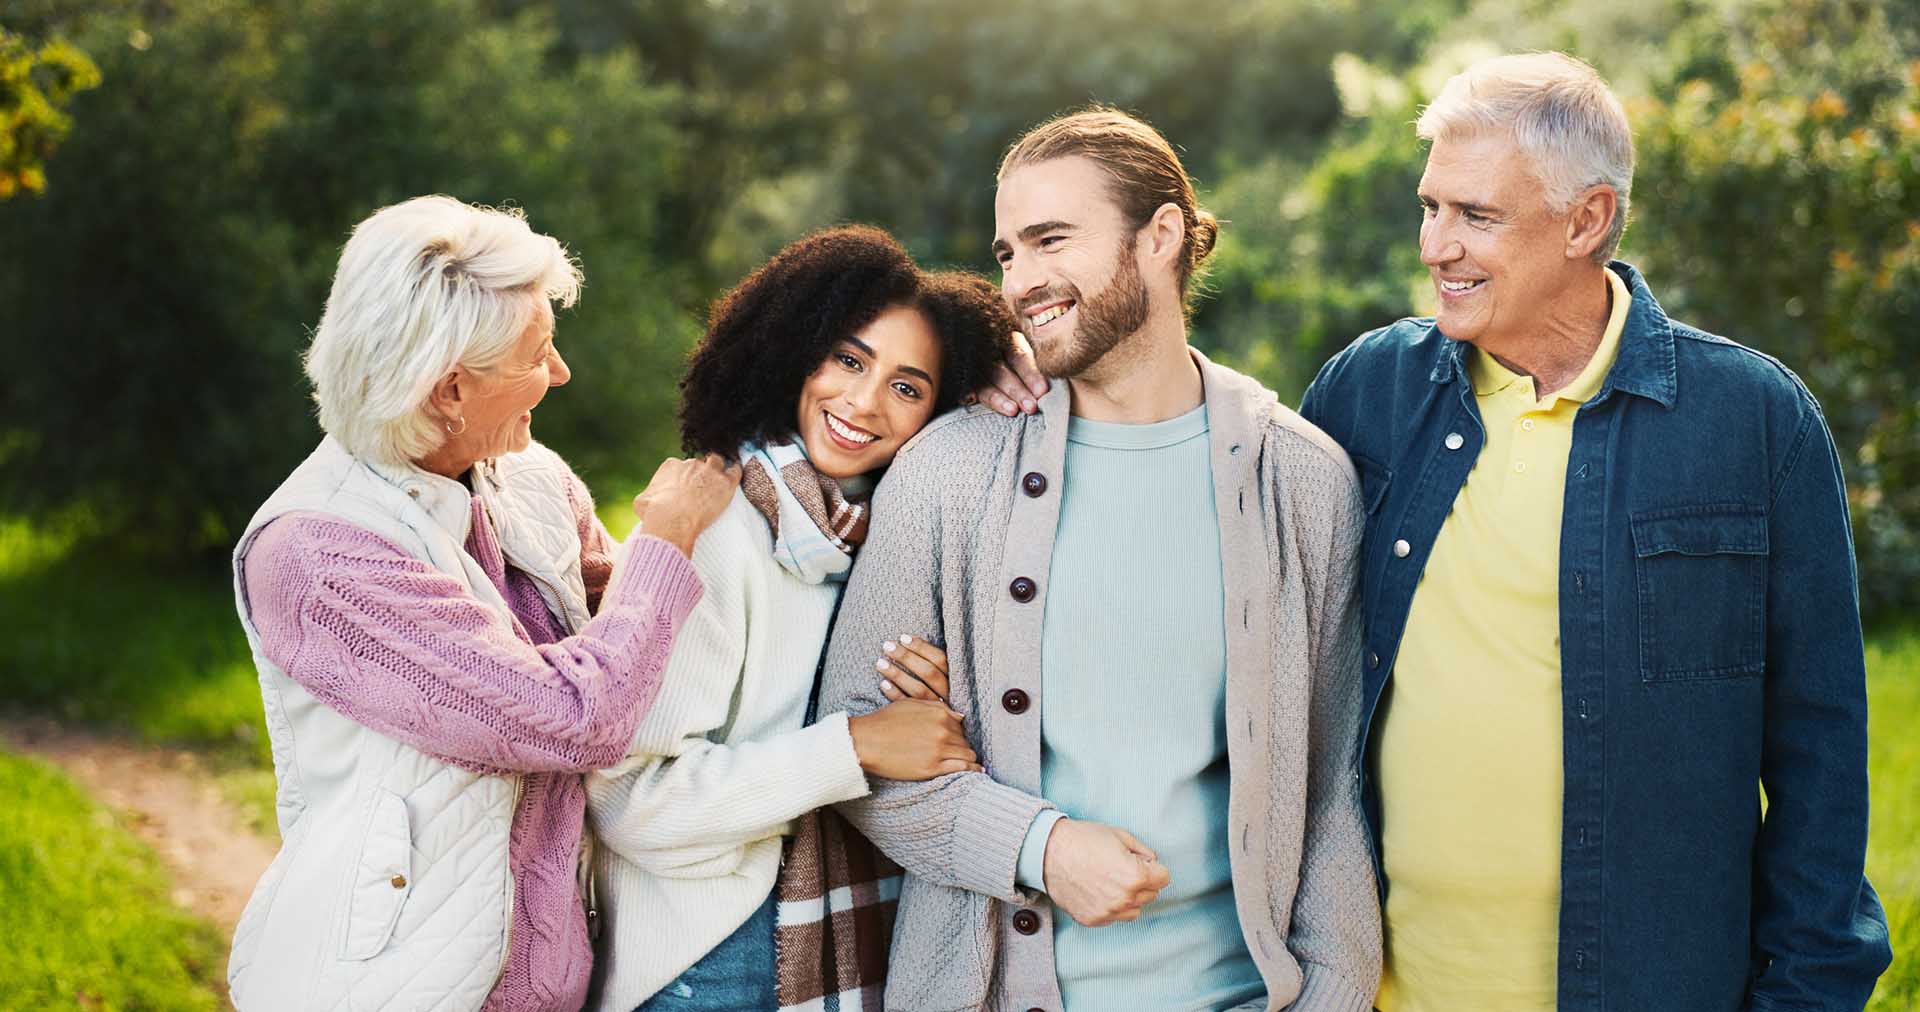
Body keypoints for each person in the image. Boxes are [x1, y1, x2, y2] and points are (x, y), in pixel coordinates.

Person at [1295, 53, 1893, 1011]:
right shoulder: (1365, 393)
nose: (1435, 245)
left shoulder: (1754, 421)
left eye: (1475, 215)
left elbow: (1822, 752)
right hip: (1383, 988)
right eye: (1431, 207)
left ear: (1588, 220)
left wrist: (1809, 992)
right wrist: (994, 370)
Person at [816, 109, 1382, 1012]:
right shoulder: (951, 470)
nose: (1023, 281)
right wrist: (1038, 846)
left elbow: (1333, 796)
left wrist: (1333, 995)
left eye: (1051, 241)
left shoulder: (1302, 481)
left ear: (1160, 237)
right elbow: (853, 752)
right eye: (1007, 253)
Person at [227, 195, 739, 1012]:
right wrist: (668, 535)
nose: (562, 373)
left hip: (558, 977)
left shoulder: (530, 474)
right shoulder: (317, 556)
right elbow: (572, 716)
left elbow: (636, 636)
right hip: (405, 990)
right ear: (448, 392)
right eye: (539, 354)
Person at [583, 226, 1017, 1012]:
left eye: (907, 387)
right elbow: (630, 801)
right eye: (849, 360)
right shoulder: (718, 527)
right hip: (709, 958)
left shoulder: (880, 543)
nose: (862, 402)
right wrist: (858, 745)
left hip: (828, 942)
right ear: (794, 347)